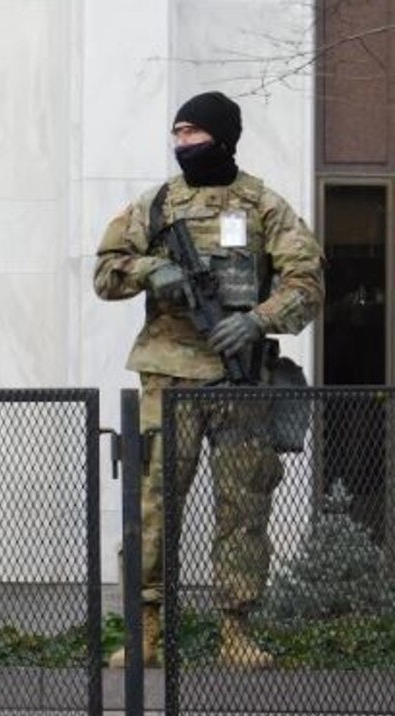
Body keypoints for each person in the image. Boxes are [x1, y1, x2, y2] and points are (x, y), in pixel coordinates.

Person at [94, 92, 324, 668]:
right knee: (152, 503)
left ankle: (235, 631)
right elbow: (105, 272)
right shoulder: (156, 207)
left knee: (243, 510)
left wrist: (257, 320)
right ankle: (146, 627)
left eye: (194, 132)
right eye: (177, 133)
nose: (183, 144)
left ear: (222, 137)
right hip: (168, 381)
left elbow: (307, 282)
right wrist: (154, 269)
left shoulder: (264, 206)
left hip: (240, 384)